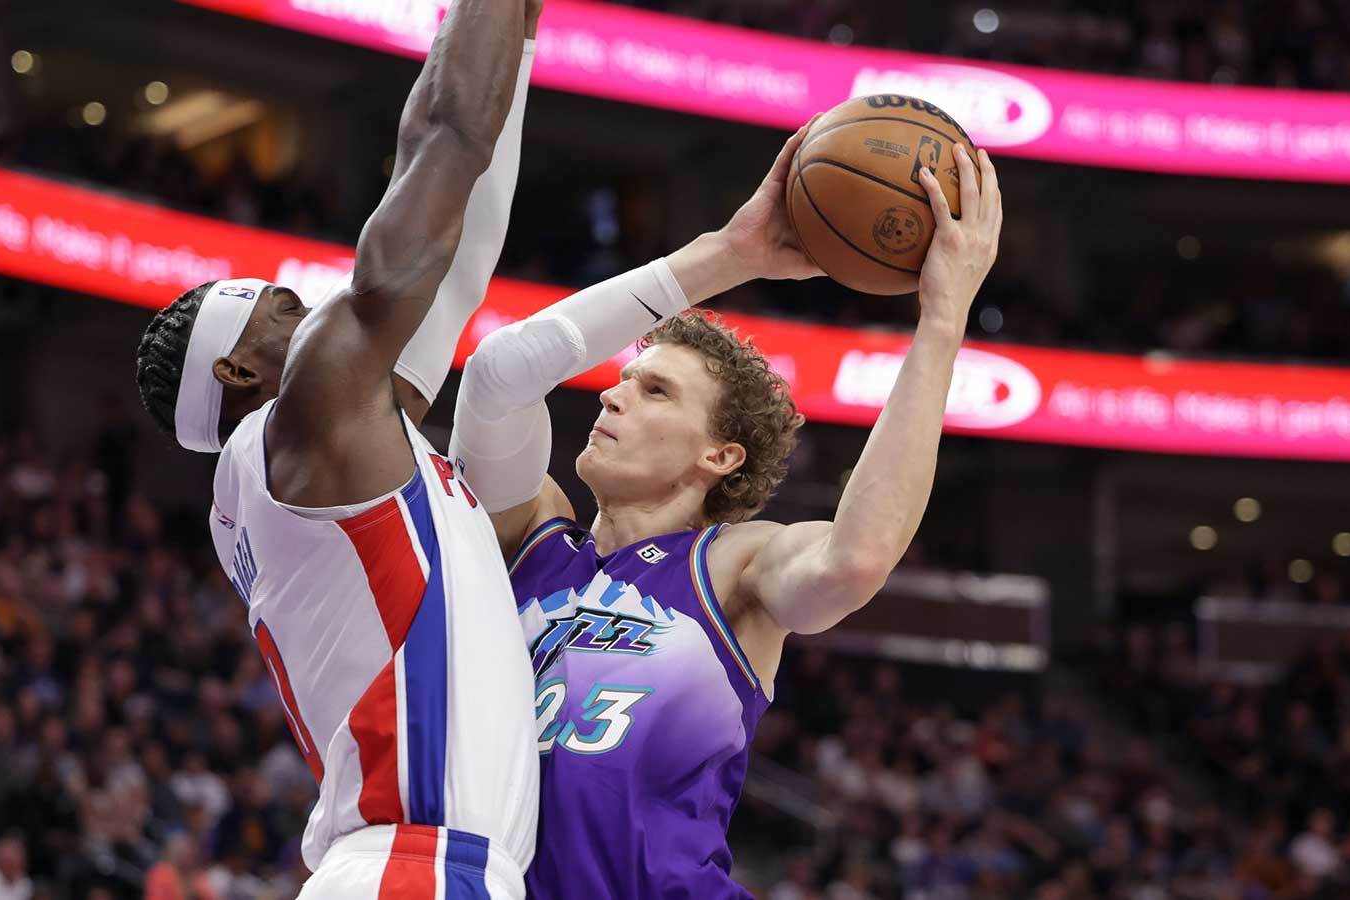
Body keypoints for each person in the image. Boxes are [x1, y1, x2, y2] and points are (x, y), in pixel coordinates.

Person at [450, 136, 1002, 897]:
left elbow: (854, 560)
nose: (611, 395)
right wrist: (728, 256)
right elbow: (497, 378)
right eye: (625, 380)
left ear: (720, 455)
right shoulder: (531, 537)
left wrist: (941, 319)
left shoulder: (732, 565)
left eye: (655, 391)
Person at [131, 0, 542, 893]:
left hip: (413, 862)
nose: (312, 307)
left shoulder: (324, 454)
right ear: (240, 368)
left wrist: (519, 27)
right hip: (414, 861)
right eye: (283, 307)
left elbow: (463, 253)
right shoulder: (306, 420)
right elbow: (444, 143)